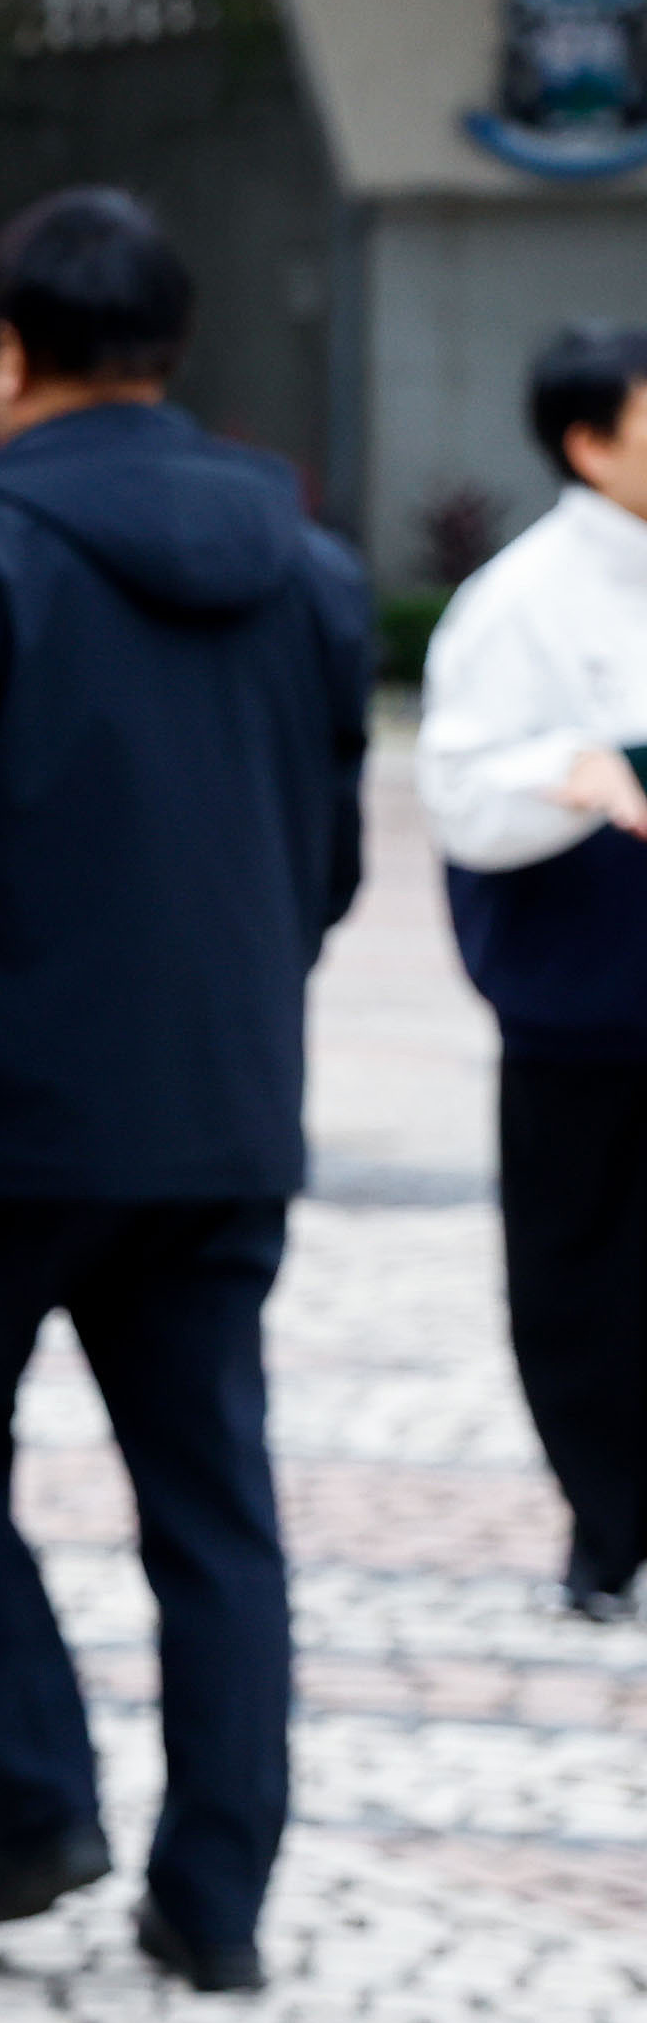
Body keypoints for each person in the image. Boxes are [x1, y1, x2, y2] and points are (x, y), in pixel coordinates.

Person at [0, 187, 371, 1995]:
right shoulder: (313, 567)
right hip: (223, 1115)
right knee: (214, 1503)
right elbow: (335, 860)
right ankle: (214, 1904)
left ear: (3, 345)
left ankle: (40, 1792)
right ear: (176, 347)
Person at [415, 322, 647, 1620]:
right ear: (589, 439)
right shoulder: (520, 598)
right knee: (576, 1276)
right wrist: (580, 775)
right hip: (585, 1003)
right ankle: (606, 1521)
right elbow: (458, 789)